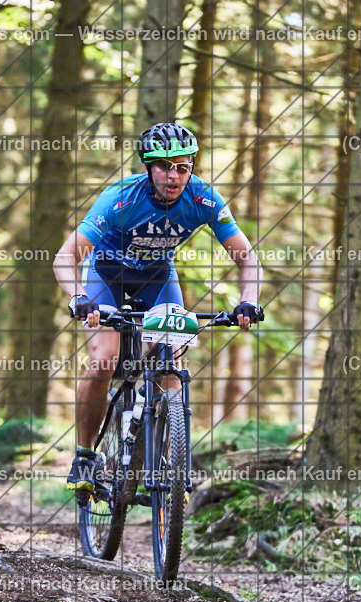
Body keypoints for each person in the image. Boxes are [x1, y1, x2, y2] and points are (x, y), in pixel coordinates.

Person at [53, 122, 264, 492]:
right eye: (165, 166)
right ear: (148, 168)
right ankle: (85, 457)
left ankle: (168, 459)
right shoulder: (120, 198)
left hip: (157, 277)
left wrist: (249, 300)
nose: (174, 176)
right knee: (104, 358)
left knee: (172, 360)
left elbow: (247, 259)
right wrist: (78, 298)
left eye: (183, 167)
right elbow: (64, 257)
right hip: (107, 275)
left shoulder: (204, 200)